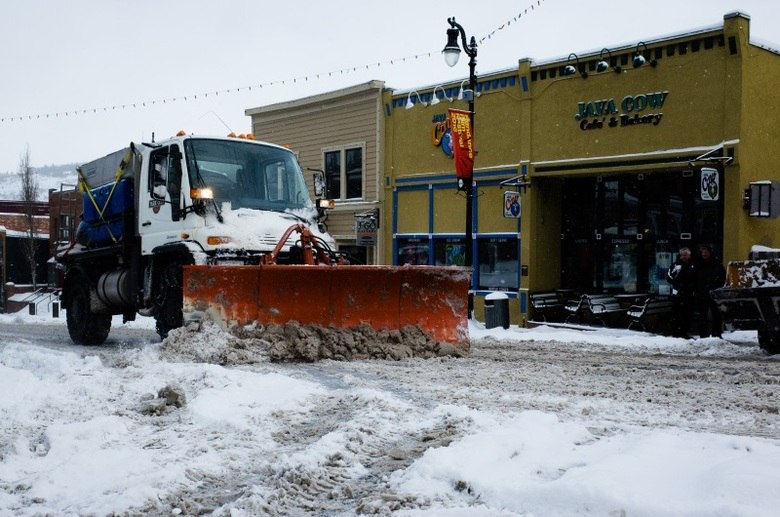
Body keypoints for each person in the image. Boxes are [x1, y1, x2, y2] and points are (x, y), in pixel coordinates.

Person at [695, 244, 727, 337]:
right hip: (702, 292)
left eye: (706, 252)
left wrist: (718, 288)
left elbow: (722, 277)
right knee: (702, 314)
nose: (704, 254)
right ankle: (703, 334)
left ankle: (716, 333)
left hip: (714, 292)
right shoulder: (699, 264)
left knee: (716, 314)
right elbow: (694, 278)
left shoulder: (716, 264)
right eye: (702, 252)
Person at [667, 247, 696, 338]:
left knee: (687, 313)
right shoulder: (676, 265)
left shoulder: (693, 265)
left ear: (689, 255)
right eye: (682, 255)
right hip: (678, 293)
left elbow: (696, 278)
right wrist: (678, 284)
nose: (683, 257)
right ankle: (676, 332)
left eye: (685, 255)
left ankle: (684, 331)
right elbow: (669, 277)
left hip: (689, 293)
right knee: (677, 312)